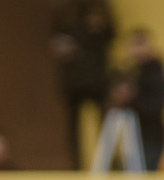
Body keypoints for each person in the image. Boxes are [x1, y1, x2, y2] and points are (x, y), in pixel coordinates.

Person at [48, 0, 117, 168]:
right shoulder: (65, 11)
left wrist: (101, 24)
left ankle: (107, 164)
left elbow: (112, 34)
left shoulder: (101, 7)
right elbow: (55, 41)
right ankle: (76, 166)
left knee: (104, 124)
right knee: (73, 128)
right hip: (74, 80)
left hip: (97, 78)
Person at [118, 29, 164, 171]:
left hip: (151, 136)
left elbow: (157, 105)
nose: (136, 50)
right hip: (130, 133)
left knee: (148, 175)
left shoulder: (156, 71)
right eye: (132, 45)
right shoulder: (129, 69)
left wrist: (133, 97)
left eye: (140, 44)